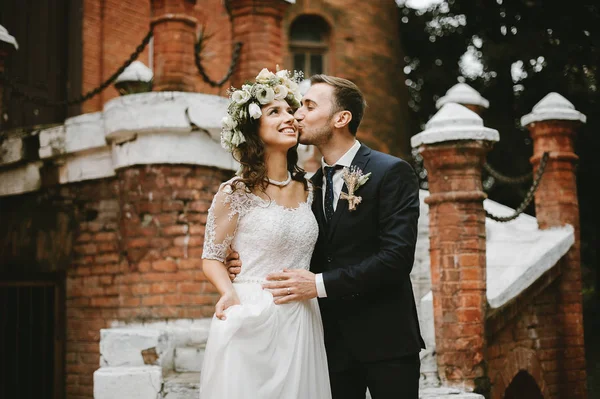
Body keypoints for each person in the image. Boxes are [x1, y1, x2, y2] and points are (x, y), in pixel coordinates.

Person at [227, 74, 425, 399]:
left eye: (308, 106)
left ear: (341, 118)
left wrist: (317, 285)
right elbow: (291, 238)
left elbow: (396, 259)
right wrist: (243, 258)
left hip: (386, 339)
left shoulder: (392, 172)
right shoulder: (305, 186)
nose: (297, 115)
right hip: (326, 344)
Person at [199, 68, 332, 398]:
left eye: (290, 110)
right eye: (275, 112)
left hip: (302, 320)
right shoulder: (235, 192)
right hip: (251, 317)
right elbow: (212, 257)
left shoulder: (311, 190)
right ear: (253, 130)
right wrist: (228, 292)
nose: (290, 117)